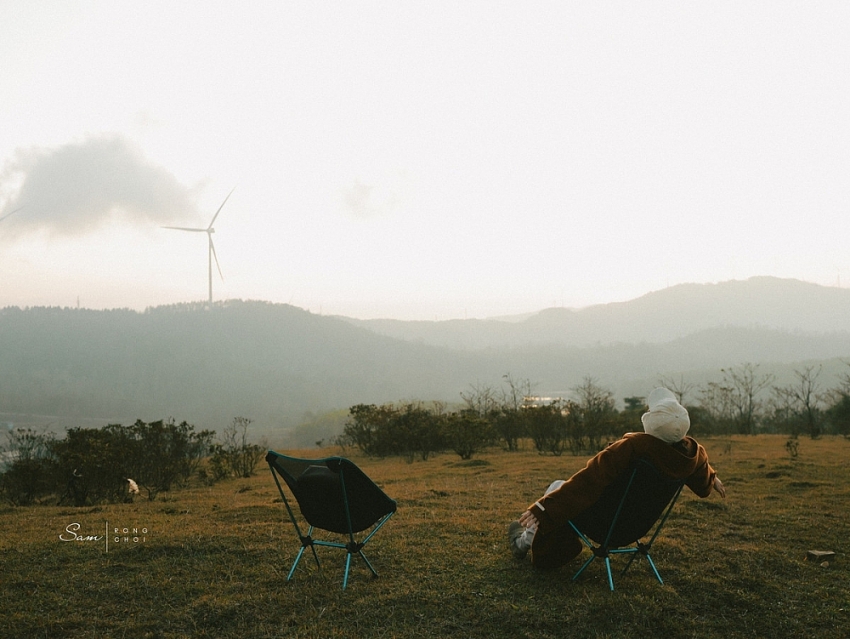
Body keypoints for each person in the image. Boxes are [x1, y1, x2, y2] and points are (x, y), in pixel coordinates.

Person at [508, 388, 726, 570]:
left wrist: (544, 508)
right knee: (565, 490)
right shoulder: (689, 458)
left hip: (603, 524)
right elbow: (702, 481)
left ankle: (523, 542)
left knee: (557, 485)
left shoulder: (631, 449)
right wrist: (711, 477)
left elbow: (589, 480)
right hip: (635, 529)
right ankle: (526, 539)